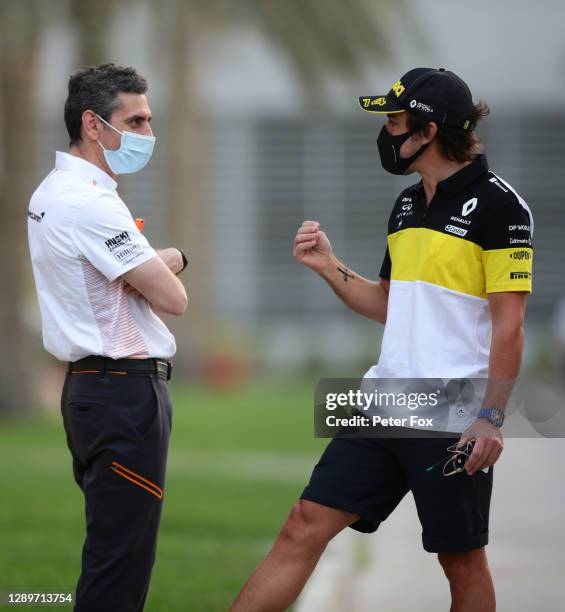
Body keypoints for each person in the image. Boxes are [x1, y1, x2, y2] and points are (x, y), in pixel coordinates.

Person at [230, 68, 534, 612]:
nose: (386, 132)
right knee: (303, 526)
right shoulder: (407, 204)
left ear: (429, 130)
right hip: (381, 401)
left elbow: (510, 325)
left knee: (460, 561)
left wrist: (490, 416)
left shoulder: (501, 207)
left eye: (394, 120)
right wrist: (329, 266)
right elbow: (391, 306)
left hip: (451, 413)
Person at [27, 63, 188, 612]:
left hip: (92, 393)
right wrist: (174, 259)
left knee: (110, 552)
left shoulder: (52, 190)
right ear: (93, 125)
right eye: (137, 121)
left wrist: (151, 265)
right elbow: (174, 299)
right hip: (123, 394)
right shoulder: (92, 202)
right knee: (119, 566)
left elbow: (123, 277)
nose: (148, 135)